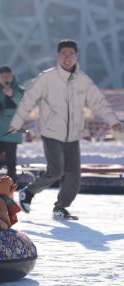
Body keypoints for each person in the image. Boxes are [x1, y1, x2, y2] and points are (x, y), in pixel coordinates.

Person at [10, 39, 122, 220]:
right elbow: (29, 99)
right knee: (56, 170)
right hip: (51, 132)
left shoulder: (83, 80)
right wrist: (16, 122)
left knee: (74, 175)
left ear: (77, 56)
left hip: (73, 135)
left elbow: (98, 102)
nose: (67, 57)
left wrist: (112, 120)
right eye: (63, 54)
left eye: (71, 54)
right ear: (57, 56)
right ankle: (28, 192)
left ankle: (60, 208)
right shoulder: (47, 77)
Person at [0, 66, 24, 182]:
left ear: (12, 77)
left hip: (11, 132)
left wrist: (13, 95)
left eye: (7, 76)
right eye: (2, 77)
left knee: (11, 161)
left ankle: (11, 184)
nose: (5, 79)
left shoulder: (19, 90)